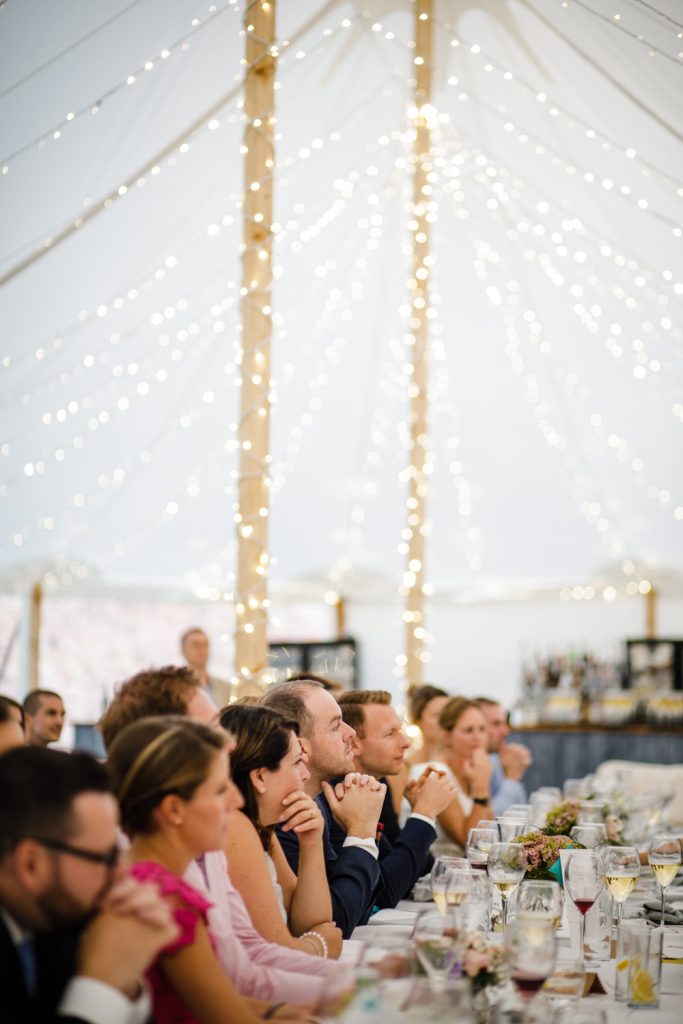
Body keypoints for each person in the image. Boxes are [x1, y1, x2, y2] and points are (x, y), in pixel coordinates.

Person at [100, 666, 348, 1005]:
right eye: (211, 733)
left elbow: (247, 955)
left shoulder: (202, 841)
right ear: (160, 747)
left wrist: (360, 981)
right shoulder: (135, 860)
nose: (228, 746)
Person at [107, 716, 313, 1023]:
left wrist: (277, 1010)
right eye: (220, 789)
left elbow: (219, 997)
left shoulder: (159, 876)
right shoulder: (165, 897)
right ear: (174, 810)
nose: (237, 799)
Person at [0, 745, 178, 1024]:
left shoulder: (59, 918)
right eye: (105, 857)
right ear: (31, 864)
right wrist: (103, 983)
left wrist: (124, 982)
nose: (122, 874)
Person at [261, 678, 385, 937]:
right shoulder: (283, 816)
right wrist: (361, 831)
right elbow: (336, 922)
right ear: (300, 744)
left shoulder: (317, 801)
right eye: (335, 725)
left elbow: (361, 907)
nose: (350, 733)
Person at [220, 704, 342, 957]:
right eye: (297, 762)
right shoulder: (234, 827)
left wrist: (311, 843)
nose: (306, 775)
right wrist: (320, 946)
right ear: (260, 777)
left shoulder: (263, 829)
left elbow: (309, 922)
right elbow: (276, 950)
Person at [337, 690, 457, 906]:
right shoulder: (338, 793)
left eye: (400, 730)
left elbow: (417, 871)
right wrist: (424, 814)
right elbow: (384, 892)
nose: (405, 743)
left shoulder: (378, 784)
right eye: (390, 734)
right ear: (353, 744)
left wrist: (418, 809)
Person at [408, 697, 495, 850]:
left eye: (482, 729)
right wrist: (481, 787)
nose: (477, 737)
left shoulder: (472, 771)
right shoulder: (436, 773)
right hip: (437, 868)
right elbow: (469, 842)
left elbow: (489, 833)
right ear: (448, 736)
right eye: (469, 730)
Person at [475, 697, 531, 815]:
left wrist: (512, 773)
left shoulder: (494, 760)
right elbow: (490, 822)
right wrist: (512, 777)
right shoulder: (468, 766)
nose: (506, 731)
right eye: (496, 724)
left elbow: (521, 812)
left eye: (505, 723)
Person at [181, 628, 232, 709]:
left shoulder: (226, 688)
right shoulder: (177, 688)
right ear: (183, 650)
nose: (201, 650)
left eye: (204, 645)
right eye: (195, 645)